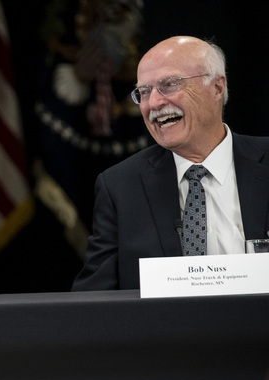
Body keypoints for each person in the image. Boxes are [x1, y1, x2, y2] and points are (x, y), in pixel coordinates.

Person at [72, 36, 269, 291]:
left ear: (217, 87)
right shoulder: (119, 187)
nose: (153, 103)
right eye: (143, 92)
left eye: (169, 84)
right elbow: (92, 301)